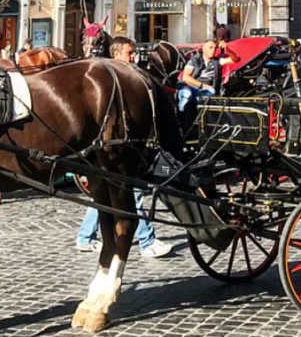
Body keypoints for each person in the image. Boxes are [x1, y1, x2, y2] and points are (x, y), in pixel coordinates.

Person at [75, 36, 172, 258]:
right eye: (130, 53)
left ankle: (85, 236)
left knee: (105, 195)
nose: (134, 57)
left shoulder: (120, 80)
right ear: (116, 55)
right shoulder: (114, 81)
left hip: (117, 147)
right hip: (118, 148)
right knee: (131, 192)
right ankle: (147, 241)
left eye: (133, 52)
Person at [177, 38, 222, 118]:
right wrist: (203, 85)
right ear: (204, 49)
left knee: (211, 91)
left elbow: (234, 59)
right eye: (210, 47)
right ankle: (179, 120)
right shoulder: (194, 60)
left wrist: (227, 48)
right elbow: (186, 77)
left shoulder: (217, 61)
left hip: (205, 90)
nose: (213, 50)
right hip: (190, 86)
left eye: (215, 48)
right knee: (186, 95)